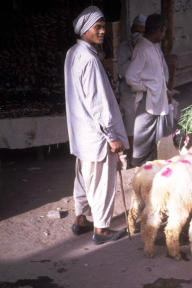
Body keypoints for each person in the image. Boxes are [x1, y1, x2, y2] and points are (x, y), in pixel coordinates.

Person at [64, 6, 129, 244]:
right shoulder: (89, 60)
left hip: (82, 133)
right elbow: (98, 104)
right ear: (84, 30)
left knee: (83, 176)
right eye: (98, 27)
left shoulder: (73, 53)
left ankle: (80, 219)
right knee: (101, 181)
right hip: (96, 134)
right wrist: (112, 136)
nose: (103, 32)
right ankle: (101, 230)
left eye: (103, 27)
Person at [125, 13, 173, 167]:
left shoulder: (154, 47)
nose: (164, 35)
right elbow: (130, 76)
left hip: (160, 99)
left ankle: (155, 170)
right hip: (148, 101)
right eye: (164, 31)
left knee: (161, 141)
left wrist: (165, 91)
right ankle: (138, 169)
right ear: (158, 30)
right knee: (143, 140)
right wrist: (146, 88)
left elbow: (158, 75)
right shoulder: (142, 48)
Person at [117, 13, 146, 167]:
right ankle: (130, 155)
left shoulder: (148, 46)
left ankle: (141, 155)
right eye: (137, 30)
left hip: (143, 90)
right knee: (129, 123)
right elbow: (124, 69)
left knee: (143, 123)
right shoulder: (123, 47)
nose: (139, 34)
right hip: (128, 91)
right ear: (132, 29)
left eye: (142, 31)